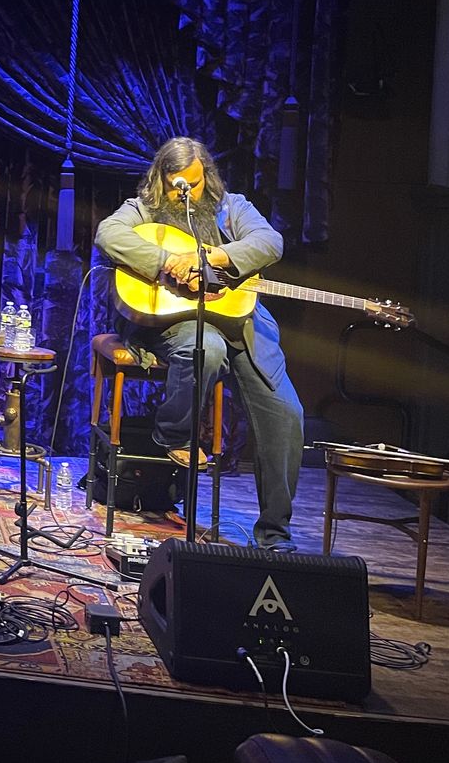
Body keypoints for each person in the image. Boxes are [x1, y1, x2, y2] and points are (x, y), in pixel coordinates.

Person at [94, 136, 306, 552]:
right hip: (177, 322)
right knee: (206, 348)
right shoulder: (142, 208)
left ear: (205, 176)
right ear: (161, 178)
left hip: (244, 326)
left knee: (287, 414)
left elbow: (270, 242)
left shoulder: (232, 206)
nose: (185, 194)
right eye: (177, 186)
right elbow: (108, 234)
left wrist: (214, 259)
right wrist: (166, 262)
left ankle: (275, 535)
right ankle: (174, 434)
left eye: (193, 184)